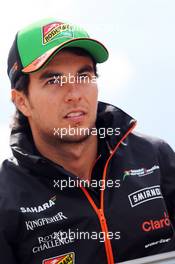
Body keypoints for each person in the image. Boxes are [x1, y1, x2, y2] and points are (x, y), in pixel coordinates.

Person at [0, 17, 175, 264]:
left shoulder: (155, 156)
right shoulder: (6, 197)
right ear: (22, 101)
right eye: (54, 81)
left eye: (83, 76)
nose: (74, 94)